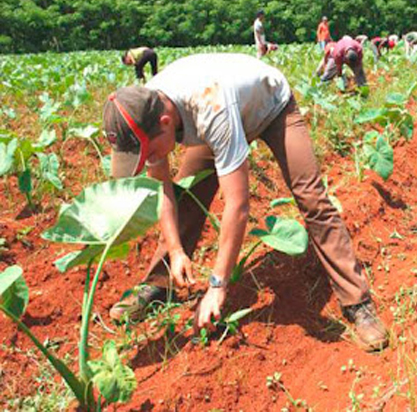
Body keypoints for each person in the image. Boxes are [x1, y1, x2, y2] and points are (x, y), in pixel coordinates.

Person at [103, 53, 388, 351]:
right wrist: (175, 251)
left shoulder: (209, 108)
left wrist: (217, 286)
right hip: (221, 110)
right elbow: (163, 189)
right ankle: (161, 283)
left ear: (165, 122)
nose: (150, 160)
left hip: (271, 108)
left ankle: (358, 303)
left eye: (149, 153)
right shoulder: (145, 109)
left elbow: (237, 205)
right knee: (185, 197)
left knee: (312, 197)